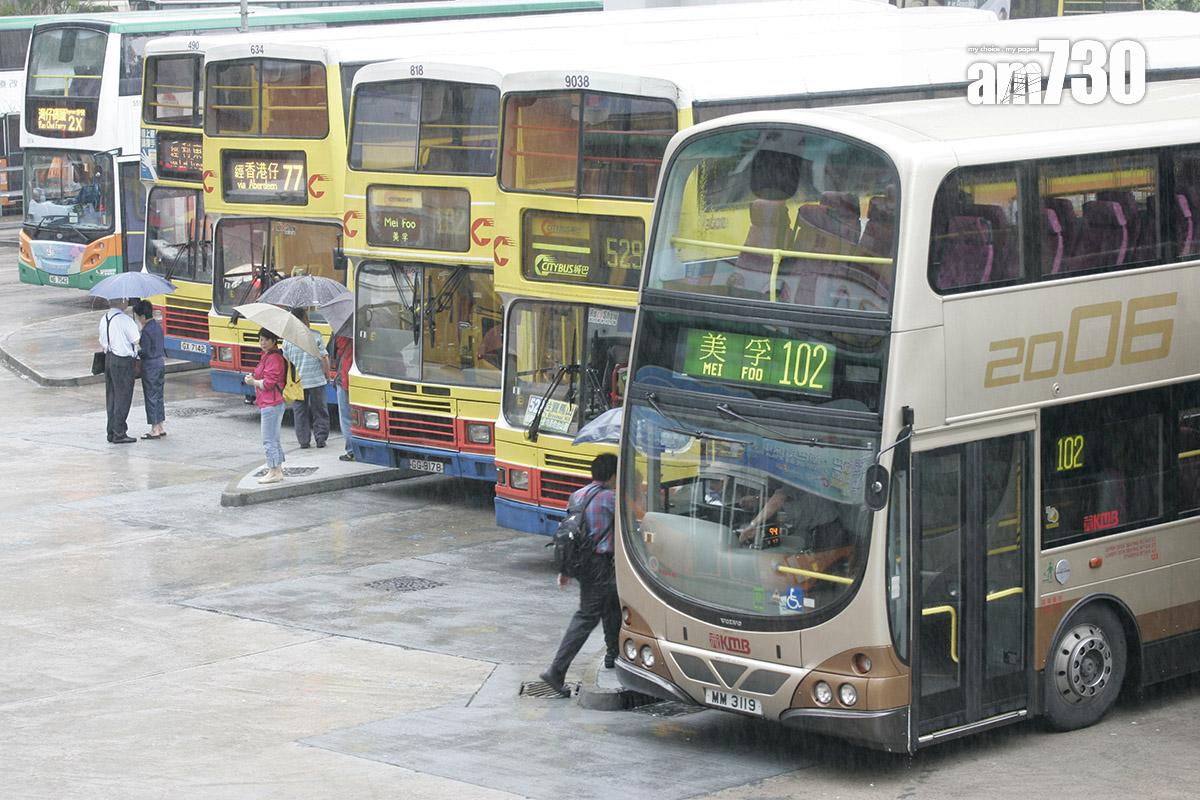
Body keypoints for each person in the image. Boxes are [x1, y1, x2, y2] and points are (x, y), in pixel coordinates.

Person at [540, 453, 621, 696]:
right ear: (613, 475)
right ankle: (556, 671)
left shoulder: (578, 495)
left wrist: (565, 570)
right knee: (587, 616)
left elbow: (570, 532)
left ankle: (613, 655)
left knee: (611, 605)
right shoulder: (610, 498)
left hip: (583, 562)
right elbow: (636, 520)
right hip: (600, 563)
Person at [282, 308, 330, 449]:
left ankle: (303, 441)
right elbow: (324, 358)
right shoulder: (315, 336)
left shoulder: (287, 341)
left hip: (298, 383)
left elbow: (287, 360)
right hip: (316, 380)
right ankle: (320, 438)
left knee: (300, 412)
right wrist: (327, 373)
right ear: (304, 320)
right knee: (319, 410)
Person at [244, 329, 287, 484]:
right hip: (270, 402)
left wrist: (253, 382)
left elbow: (268, 383)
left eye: (265, 340)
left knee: (268, 439)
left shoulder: (274, 358)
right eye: (260, 339)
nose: (262, 343)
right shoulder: (267, 356)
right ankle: (277, 470)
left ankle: (274, 471)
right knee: (273, 438)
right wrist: (254, 377)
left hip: (272, 403)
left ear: (273, 341)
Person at [99, 298, 141, 444]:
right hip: (123, 361)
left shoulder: (104, 319)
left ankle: (111, 431)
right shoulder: (125, 320)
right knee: (123, 397)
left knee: (111, 397)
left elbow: (102, 340)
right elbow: (136, 340)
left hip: (109, 359)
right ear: (122, 302)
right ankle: (120, 433)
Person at [132, 300, 166, 439]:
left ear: (143, 317)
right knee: (159, 395)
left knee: (150, 396)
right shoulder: (158, 327)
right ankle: (160, 425)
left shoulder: (146, 331)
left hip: (150, 365)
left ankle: (154, 428)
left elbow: (145, 351)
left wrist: (137, 351)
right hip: (160, 362)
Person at [332, 330, 354, 461]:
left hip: (345, 379)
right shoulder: (365, 330)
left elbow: (333, 352)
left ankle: (351, 450)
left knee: (346, 418)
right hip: (362, 380)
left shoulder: (341, 333)